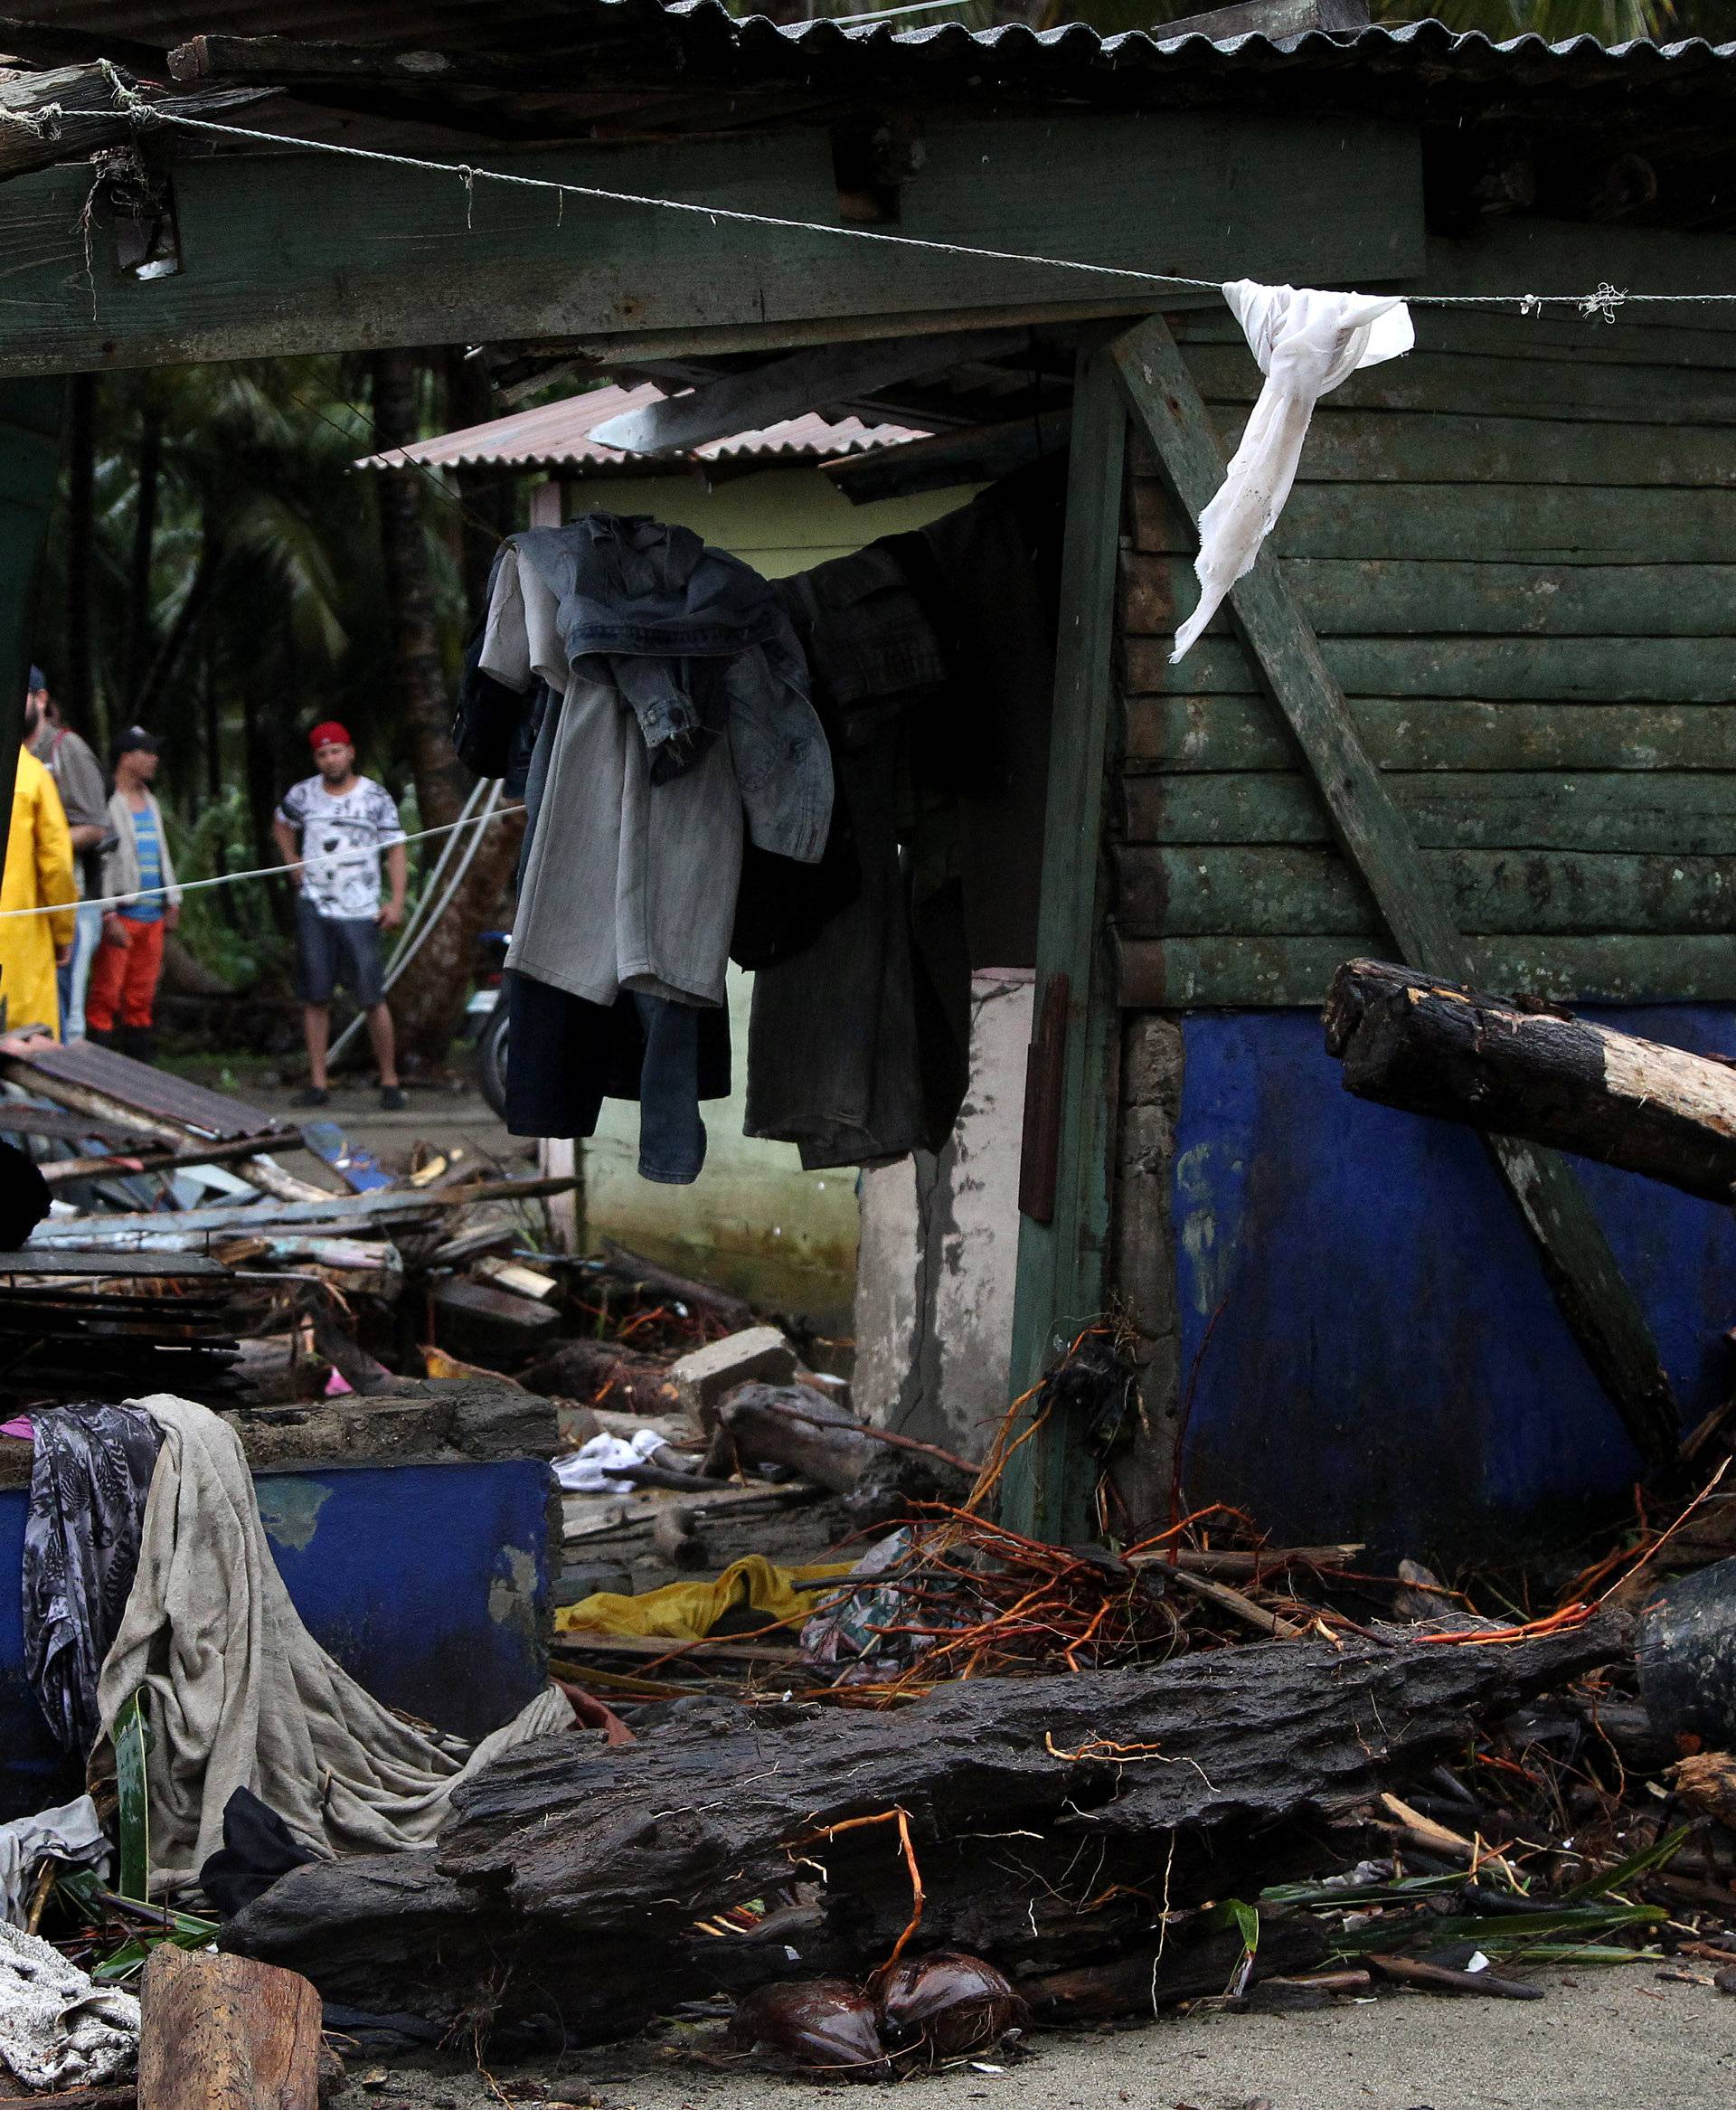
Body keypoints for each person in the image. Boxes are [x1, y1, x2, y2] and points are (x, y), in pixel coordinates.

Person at [272, 722, 408, 1111]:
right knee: (316, 996)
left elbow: (396, 849)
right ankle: (318, 1081)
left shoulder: (376, 797)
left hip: (361, 907)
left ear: (350, 752)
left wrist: (395, 901)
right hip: (315, 904)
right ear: (316, 759)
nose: (331, 759)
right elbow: (281, 822)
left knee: (371, 996)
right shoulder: (303, 795)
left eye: (336, 751)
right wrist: (291, 859)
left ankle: (390, 1080)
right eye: (322, 754)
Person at [86, 726, 181, 1064]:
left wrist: (173, 898)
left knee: (141, 997)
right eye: (147, 753)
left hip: (152, 914)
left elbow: (161, 852)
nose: (154, 759)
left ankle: (140, 1068)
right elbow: (102, 862)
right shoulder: (107, 800)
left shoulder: (150, 801)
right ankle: (99, 1067)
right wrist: (108, 912)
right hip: (122, 913)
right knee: (107, 995)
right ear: (127, 758)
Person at [25, 668, 108, 1040]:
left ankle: (64, 1092)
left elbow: (96, 825)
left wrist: (41, 841)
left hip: (69, 898)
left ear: (41, 699)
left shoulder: (65, 748)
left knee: (66, 1005)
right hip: (22, 900)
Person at [0, 701, 76, 1036]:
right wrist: (63, 933)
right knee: (27, 1060)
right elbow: (57, 865)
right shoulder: (30, 776)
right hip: (18, 954)